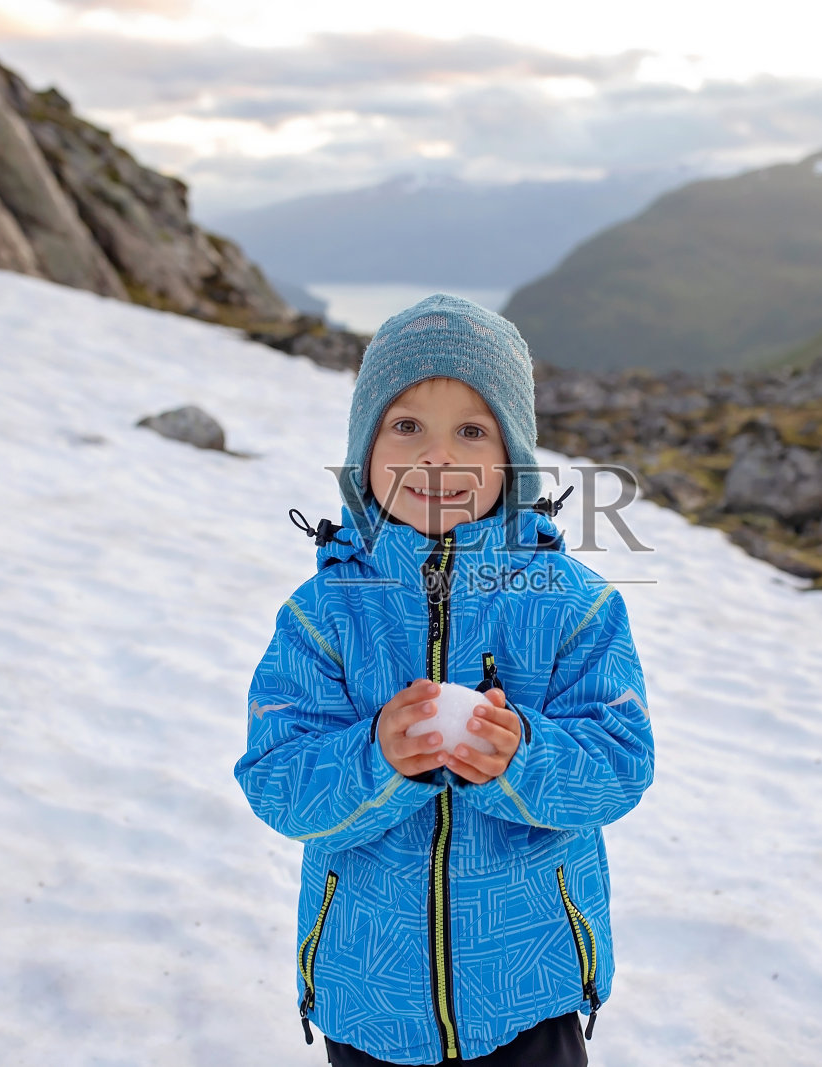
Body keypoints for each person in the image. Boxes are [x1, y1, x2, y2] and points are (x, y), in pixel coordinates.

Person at [235, 293, 654, 1066]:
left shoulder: (573, 606)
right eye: (406, 427)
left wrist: (520, 754)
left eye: (471, 429)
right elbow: (277, 781)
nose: (437, 457)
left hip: (531, 991)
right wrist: (377, 758)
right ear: (363, 451)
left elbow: (620, 764)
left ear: (513, 458)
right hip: (370, 993)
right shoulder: (323, 614)